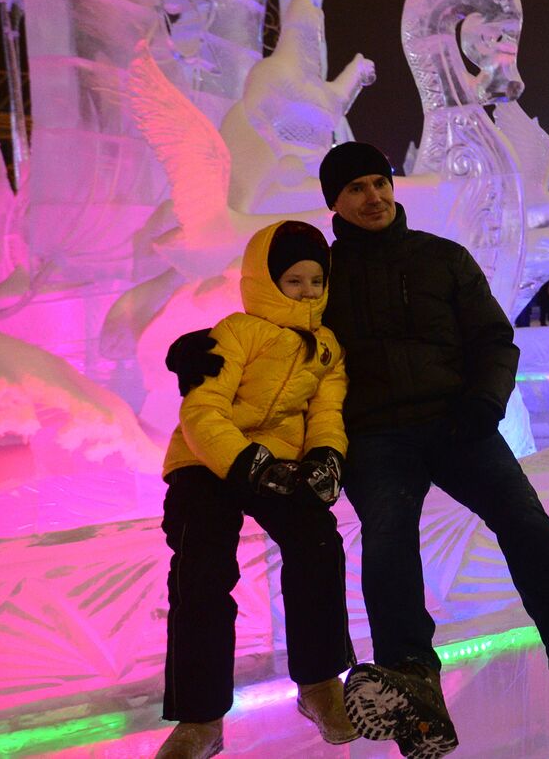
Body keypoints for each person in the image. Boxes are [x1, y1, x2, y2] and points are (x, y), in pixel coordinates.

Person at [167, 143, 549, 759]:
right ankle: (410, 679)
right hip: (375, 436)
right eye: (356, 188)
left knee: (523, 515)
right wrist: (199, 342)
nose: (373, 196)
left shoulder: (441, 258)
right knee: (388, 533)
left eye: (380, 183)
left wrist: (485, 402)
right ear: (335, 202)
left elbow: (492, 338)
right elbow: (277, 316)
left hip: (459, 422)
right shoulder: (327, 276)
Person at [156, 221, 356, 759]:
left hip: (283, 465)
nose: (308, 292)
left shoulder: (327, 348)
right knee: (201, 561)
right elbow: (201, 411)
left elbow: (327, 412)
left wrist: (326, 458)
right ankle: (200, 717)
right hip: (208, 461)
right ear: (267, 281)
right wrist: (246, 462)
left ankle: (318, 683)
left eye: (317, 281)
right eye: (294, 281)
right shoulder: (236, 331)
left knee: (317, 537)